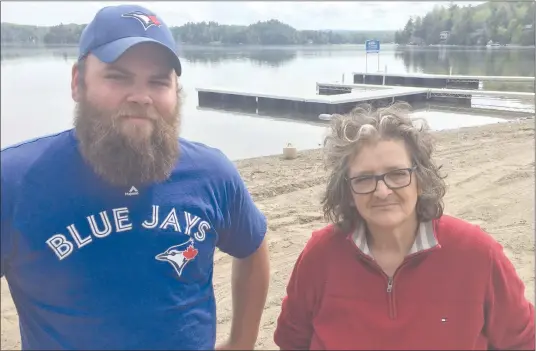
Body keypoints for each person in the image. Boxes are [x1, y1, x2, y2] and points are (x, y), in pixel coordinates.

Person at [1, 4, 270, 350]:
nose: (141, 97)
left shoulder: (212, 173)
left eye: (158, 82)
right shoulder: (15, 182)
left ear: (176, 92)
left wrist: (241, 343)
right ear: (77, 81)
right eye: (118, 76)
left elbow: (252, 244)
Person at [273, 102, 534, 350]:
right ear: (347, 190)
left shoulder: (477, 254)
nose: (382, 191)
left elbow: (523, 342)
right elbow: (292, 340)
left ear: (420, 179)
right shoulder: (320, 255)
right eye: (364, 178)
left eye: (397, 174)